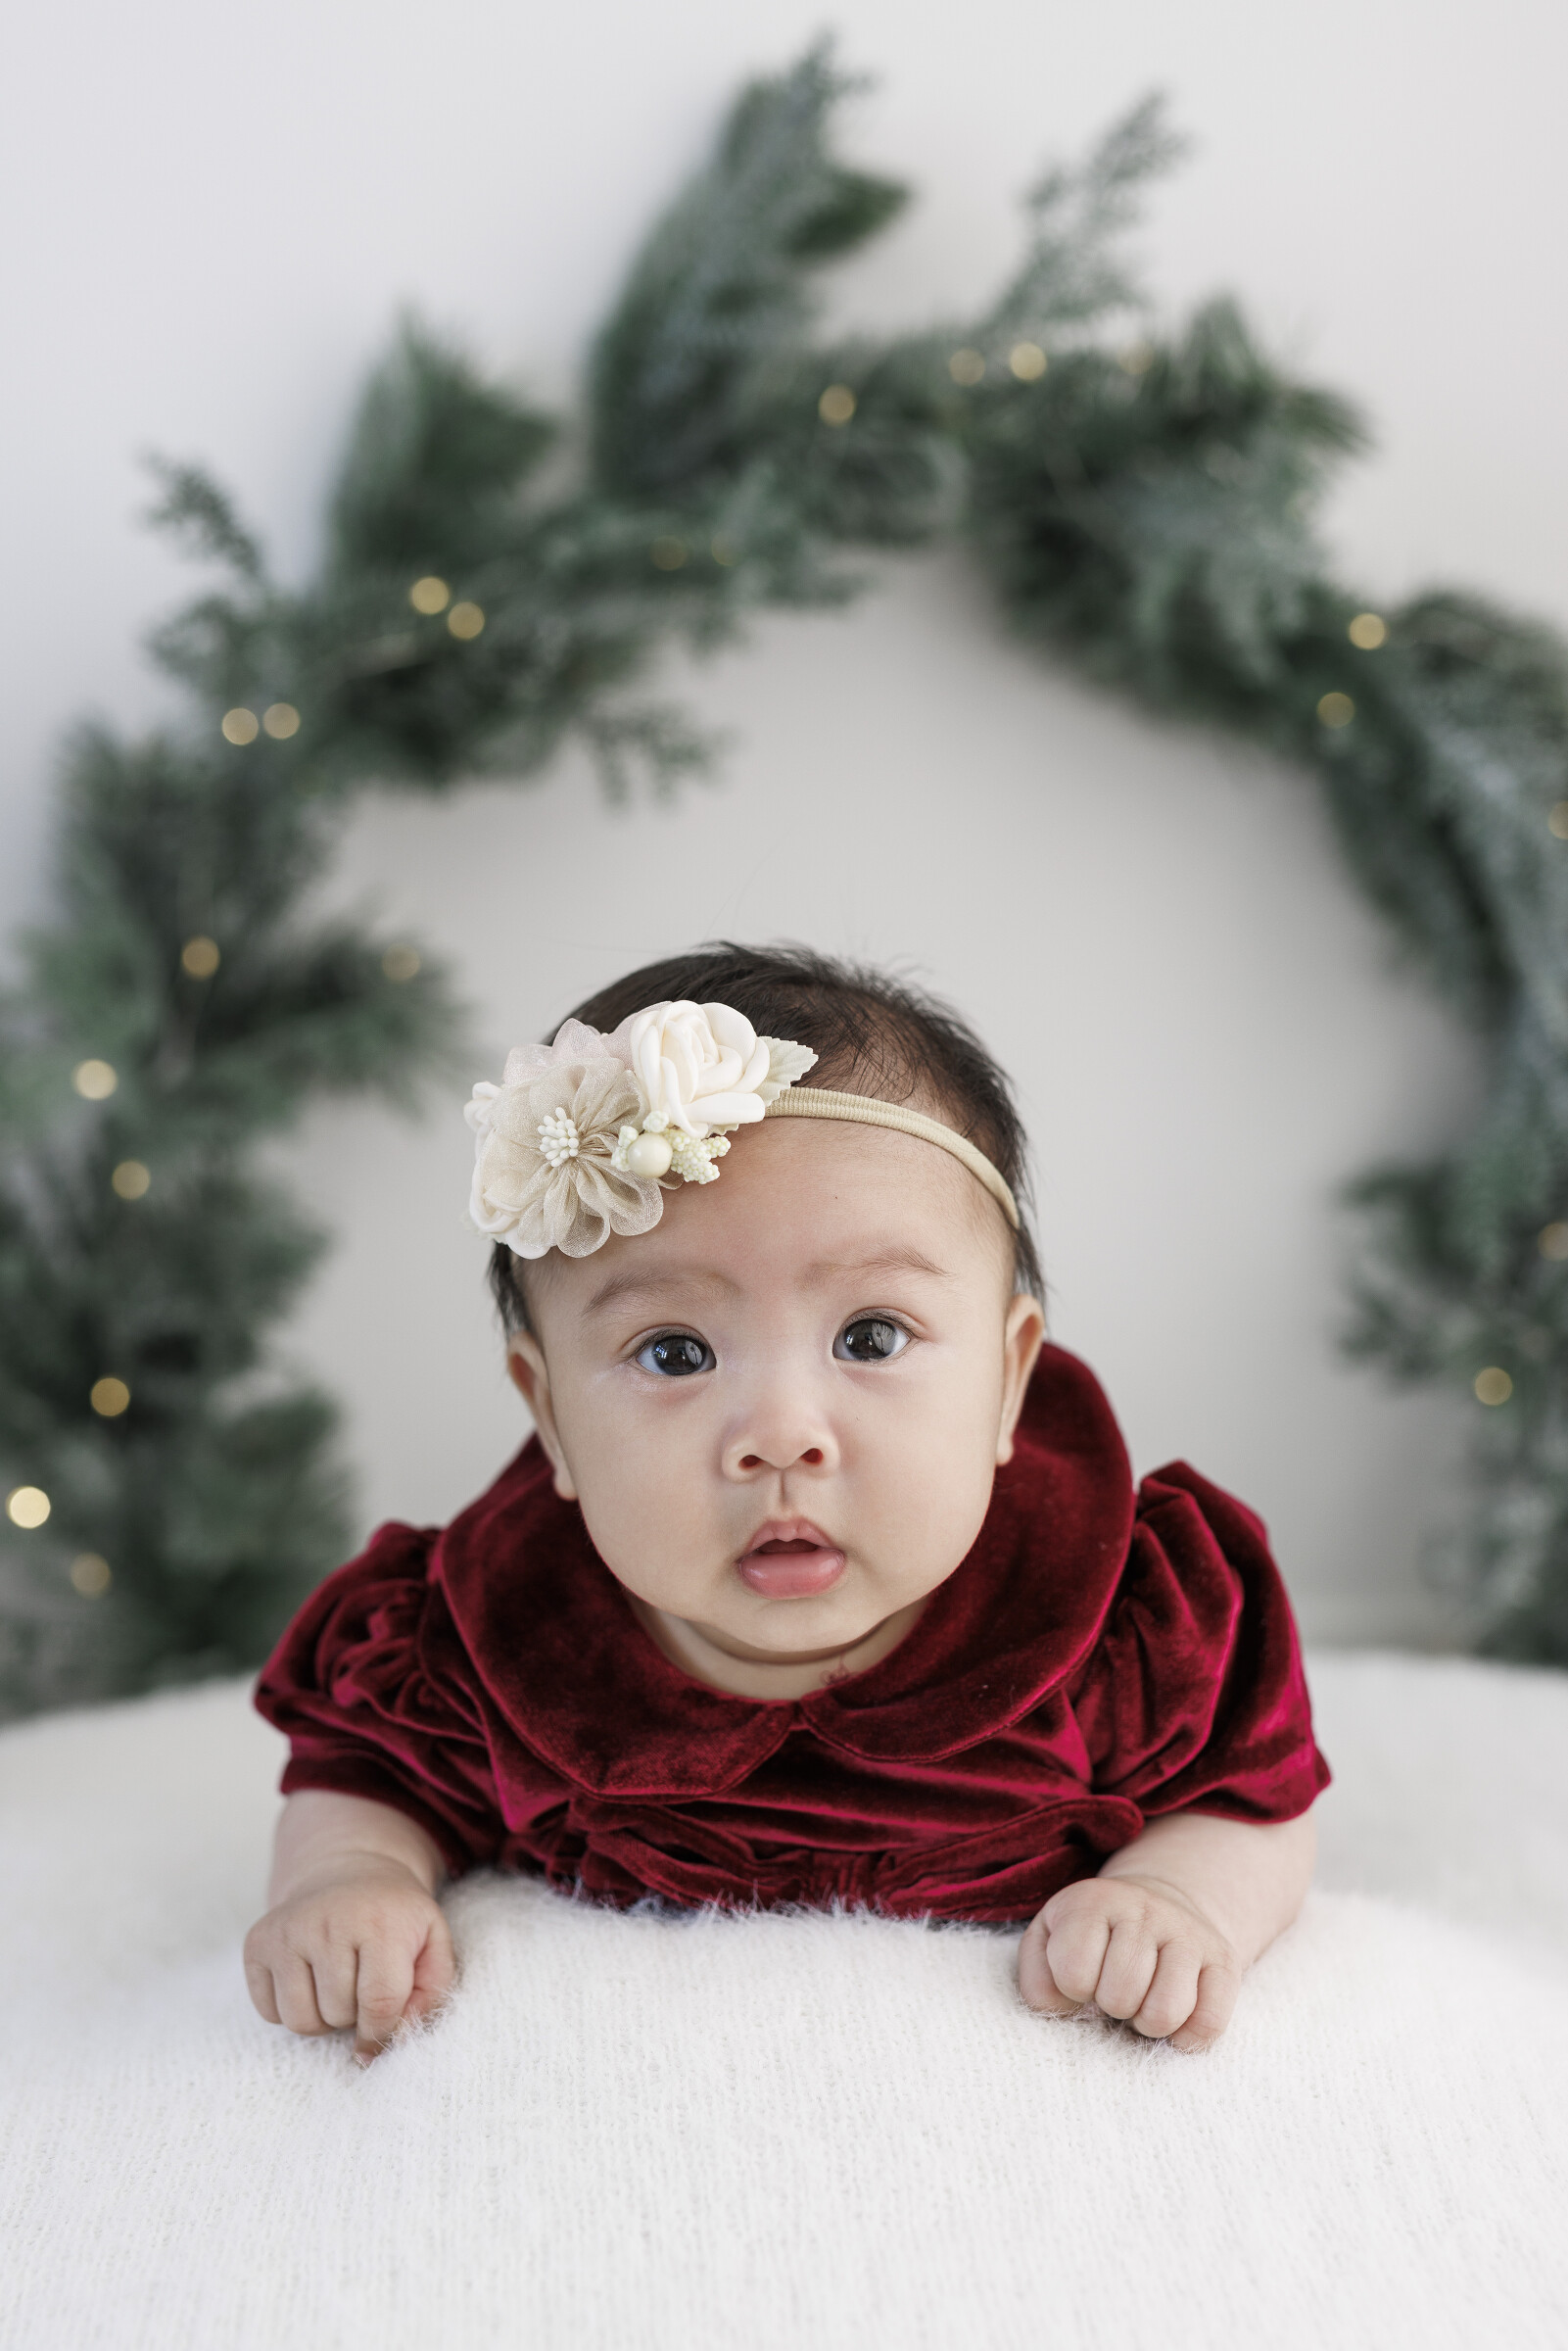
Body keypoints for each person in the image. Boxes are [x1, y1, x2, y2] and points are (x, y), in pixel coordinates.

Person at [246, 944, 1327, 2064]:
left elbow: (1249, 1800)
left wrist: (1179, 1896)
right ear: (551, 1414)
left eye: (870, 1336)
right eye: (674, 1352)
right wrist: (352, 1874)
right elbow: (364, 1773)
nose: (778, 1433)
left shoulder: (1119, 1624)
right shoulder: (496, 1641)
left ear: (1008, 1379)